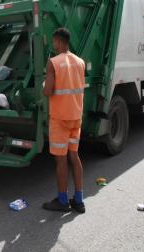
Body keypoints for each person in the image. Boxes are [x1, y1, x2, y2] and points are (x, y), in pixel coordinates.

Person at [42, 28, 86, 214]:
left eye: (54, 42)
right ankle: (78, 200)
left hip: (60, 119)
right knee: (74, 157)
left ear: (58, 42)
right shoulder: (80, 62)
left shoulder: (53, 62)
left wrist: (44, 84)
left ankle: (62, 200)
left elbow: (48, 91)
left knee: (61, 161)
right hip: (76, 117)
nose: (54, 45)